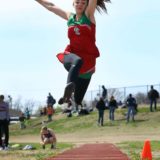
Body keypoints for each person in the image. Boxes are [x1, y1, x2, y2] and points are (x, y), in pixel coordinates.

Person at [35, 0, 111, 112]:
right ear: (73, 4)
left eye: (83, 3)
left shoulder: (88, 16)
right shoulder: (69, 17)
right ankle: (69, 87)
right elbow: (51, 6)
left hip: (87, 65)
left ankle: (70, 97)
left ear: (87, 5)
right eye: (77, 2)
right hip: (70, 58)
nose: (80, 4)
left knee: (78, 100)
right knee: (78, 61)